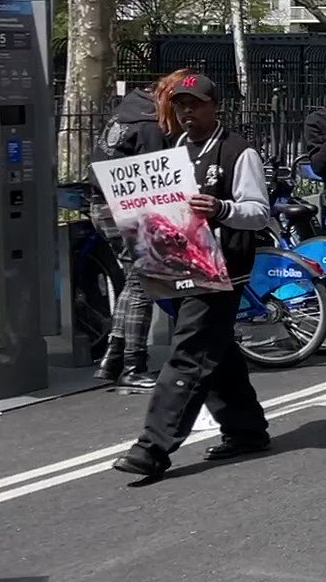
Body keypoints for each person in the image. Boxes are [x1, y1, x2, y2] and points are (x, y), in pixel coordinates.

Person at [111, 75, 272, 481]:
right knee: (215, 349)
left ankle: (152, 448)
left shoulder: (239, 152)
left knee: (190, 351)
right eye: (181, 104)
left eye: (195, 104)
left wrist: (221, 208)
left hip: (224, 271)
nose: (186, 112)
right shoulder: (174, 151)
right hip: (182, 267)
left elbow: (259, 213)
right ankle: (245, 428)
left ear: (214, 106)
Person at [91, 68, 190, 389]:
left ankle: (113, 358)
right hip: (126, 207)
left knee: (134, 281)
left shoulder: (129, 112)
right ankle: (134, 363)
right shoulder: (149, 125)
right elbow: (154, 179)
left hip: (102, 204)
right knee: (143, 283)